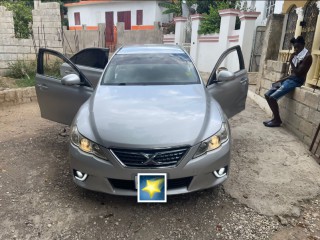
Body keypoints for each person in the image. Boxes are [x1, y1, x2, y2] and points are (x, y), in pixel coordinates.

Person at [263, 36, 313, 127]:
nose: (296, 49)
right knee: (267, 94)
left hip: (296, 81)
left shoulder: (307, 57)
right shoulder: (297, 55)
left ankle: (277, 120)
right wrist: (281, 80)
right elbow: (292, 73)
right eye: (295, 47)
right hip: (289, 79)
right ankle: (275, 118)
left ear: (302, 46)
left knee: (272, 97)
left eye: (298, 47)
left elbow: (298, 73)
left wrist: (291, 61)